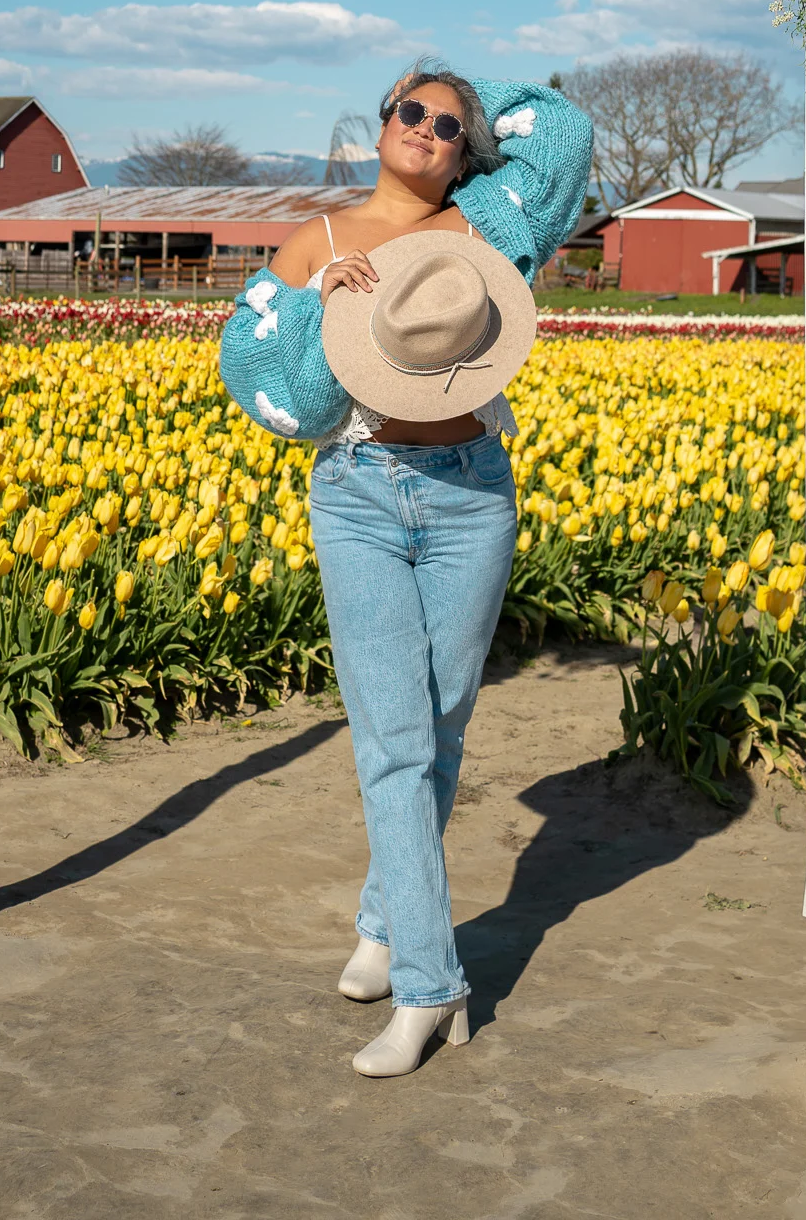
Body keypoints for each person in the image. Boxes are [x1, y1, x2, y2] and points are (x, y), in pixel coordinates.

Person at [219, 66, 592, 1076]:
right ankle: (434, 989)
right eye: (409, 110)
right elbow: (255, 371)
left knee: (439, 726)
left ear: (468, 149)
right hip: (360, 491)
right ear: (379, 121)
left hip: (476, 489)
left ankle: (386, 919)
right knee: (391, 740)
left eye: (447, 123)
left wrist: (481, 105)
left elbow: (562, 132)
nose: (424, 127)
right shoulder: (319, 239)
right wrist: (311, 312)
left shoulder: (488, 223)